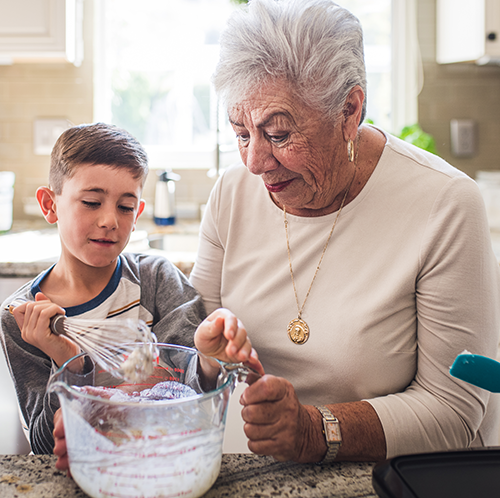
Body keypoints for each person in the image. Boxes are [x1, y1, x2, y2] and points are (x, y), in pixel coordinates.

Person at [188, 0, 500, 463]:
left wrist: (315, 431)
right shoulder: (232, 192)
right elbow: (194, 358)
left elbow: (454, 411)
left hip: (383, 477)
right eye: (240, 133)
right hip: (243, 467)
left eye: (277, 134)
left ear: (350, 110)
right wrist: (212, 358)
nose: (255, 162)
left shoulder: (445, 204)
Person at [0, 123, 262, 456]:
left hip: (164, 465)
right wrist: (71, 364)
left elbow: (190, 399)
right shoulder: (22, 319)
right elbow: (44, 446)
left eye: (125, 207)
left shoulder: (156, 281)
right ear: (50, 204)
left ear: (137, 214)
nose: (110, 220)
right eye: (92, 202)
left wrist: (209, 359)